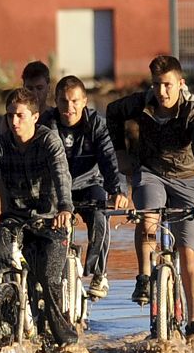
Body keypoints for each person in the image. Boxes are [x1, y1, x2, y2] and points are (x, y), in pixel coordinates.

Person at [106, 55, 194, 339]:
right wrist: (121, 154)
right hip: (150, 173)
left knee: (188, 252)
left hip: (188, 181)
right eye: (157, 85)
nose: (162, 92)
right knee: (148, 220)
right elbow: (112, 112)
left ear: (180, 84)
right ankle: (144, 277)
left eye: (168, 85)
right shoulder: (141, 102)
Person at [0, 87, 78, 347]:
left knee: (48, 277)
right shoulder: (0, 145)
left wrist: (65, 208)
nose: (13, 122)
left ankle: (67, 343)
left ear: (35, 117)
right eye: (10, 116)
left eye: (20, 116)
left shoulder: (49, 141)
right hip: (14, 220)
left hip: (50, 220)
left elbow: (61, 176)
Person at [39, 75, 129, 299]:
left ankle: (99, 273)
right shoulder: (46, 123)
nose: (69, 107)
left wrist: (118, 190)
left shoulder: (96, 123)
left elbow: (109, 158)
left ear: (84, 101)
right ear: (56, 101)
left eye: (74, 101)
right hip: (57, 188)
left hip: (90, 183)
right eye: (63, 101)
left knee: (101, 215)